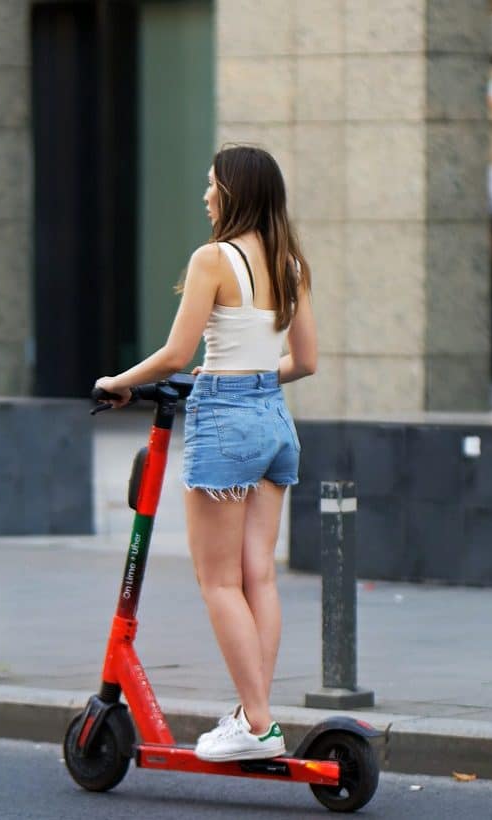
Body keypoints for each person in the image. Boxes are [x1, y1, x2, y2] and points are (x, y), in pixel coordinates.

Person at [94, 145, 317, 762]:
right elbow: (304, 362)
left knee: (218, 581)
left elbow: (173, 354)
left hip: (225, 421)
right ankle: (254, 715)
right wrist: (248, 374)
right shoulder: (290, 263)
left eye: (211, 184)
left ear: (236, 192)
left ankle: (258, 723)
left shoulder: (213, 259)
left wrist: (118, 382)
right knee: (259, 577)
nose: (206, 195)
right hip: (274, 419)